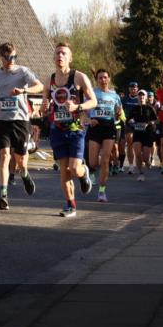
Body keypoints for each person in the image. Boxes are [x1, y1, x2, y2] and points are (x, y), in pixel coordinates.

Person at [43, 42, 97, 217]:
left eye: (64, 53)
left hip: (76, 129)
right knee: (64, 170)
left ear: (70, 58)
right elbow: (45, 103)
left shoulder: (79, 77)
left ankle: (83, 173)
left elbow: (93, 101)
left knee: (74, 169)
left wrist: (78, 107)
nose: (60, 56)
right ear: (53, 57)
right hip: (57, 130)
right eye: (57, 53)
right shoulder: (49, 80)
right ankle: (70, 205)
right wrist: (44, 105)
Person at [0, 42, 43, 210]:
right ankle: (3, 196)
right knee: (5, 156)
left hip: (20, 120)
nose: (11, 60)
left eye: (14, 56)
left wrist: (23, 91)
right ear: (1, 57)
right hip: (2, 120)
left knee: (20, 160)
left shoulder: (23, 71)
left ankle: (25, 173)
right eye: (8, 57)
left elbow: (40, 86)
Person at [85, 69, 123, 203]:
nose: (103, 80)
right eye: (100, 78)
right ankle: (92, 170)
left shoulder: (115, 96)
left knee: (106, 160)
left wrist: (118, 114)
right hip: (95, 126)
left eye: (105, 77)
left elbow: (119, 112)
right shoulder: (92, 94)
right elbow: (83, 112)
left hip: (108, 126)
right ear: (96, 80)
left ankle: (102, 191)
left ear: (109, 79)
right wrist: (89, 121)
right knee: (93, 162)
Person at [129, 90, 158, 181]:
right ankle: (140, 173)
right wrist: (131, 121)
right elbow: (128, 120)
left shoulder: (150, 108)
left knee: (145, 158)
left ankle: (148, 161)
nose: (141, 97)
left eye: (143, 96)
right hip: (137, 133)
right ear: (137, 97)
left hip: (147, 134)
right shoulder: (134, 109)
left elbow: (156, 120)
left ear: (146, 98)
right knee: (137, 154)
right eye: (140, 96)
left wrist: (148, 123)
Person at [120, 81, 141, 173]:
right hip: (128, 123)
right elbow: (120, 110)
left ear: (137, 89)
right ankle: (131, 165)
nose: (133, 89)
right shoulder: (124, 99)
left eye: (135, 88)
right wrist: (124, 119)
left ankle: (140, 162)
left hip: (139, 124)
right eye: (132, 88)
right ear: (129, 89)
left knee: (138, 144)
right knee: (130, 143)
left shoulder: (140, 98)